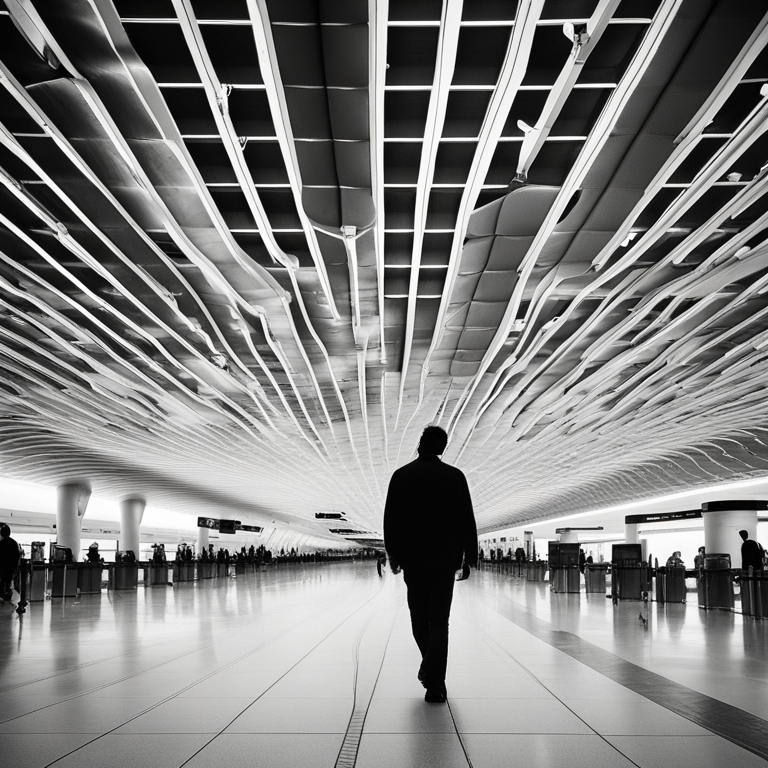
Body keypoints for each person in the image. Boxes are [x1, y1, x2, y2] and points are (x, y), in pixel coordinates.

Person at [383, 425, 477, 704]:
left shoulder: (401, 476)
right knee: (439, 622)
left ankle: (432, 675)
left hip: (414, 561)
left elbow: (392, 519)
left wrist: (393, 554)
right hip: (444, 562)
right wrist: (469, 557)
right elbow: (465, 519)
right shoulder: (454, 477)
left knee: (418, 620)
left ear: (419, 444)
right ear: (442, 448)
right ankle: (435, 681)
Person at [0, 524, 22, 603]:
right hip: (10, 568)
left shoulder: (1, 543)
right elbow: (16, 556)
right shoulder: (14, 543)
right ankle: (8, 596)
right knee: (8, 582)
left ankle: (2, 595)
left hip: (2, 568)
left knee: (2, 582)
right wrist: (15, 567)